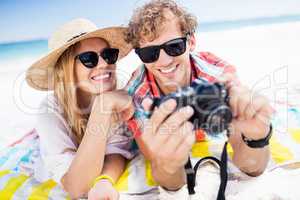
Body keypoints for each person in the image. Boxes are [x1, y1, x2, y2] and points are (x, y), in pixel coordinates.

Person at [124, 0, 273, 198]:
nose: (164, 61)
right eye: (150, 53)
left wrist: (257, 137)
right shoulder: (137, 96)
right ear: (139, 56)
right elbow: (165, 172)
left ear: (191, 42)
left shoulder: (217, 74)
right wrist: (167, 164)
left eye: (174, 47)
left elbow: (251, 166)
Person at [26, 18, 135, 199]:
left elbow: (116, 149)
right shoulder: (50, 110)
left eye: (108, 54)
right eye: (89, 59)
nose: (103, 64)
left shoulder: (117, 93)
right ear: (67, 69)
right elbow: (76, 187)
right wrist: (102, 108)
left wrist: (104, 180)